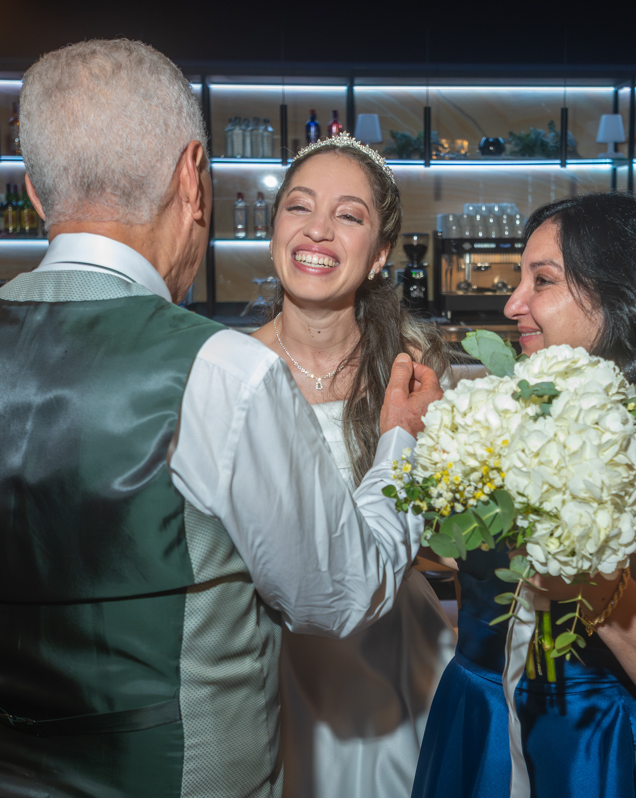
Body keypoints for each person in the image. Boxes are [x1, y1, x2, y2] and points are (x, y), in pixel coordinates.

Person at [0, 39, 442, 797]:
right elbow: (337, 595)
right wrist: (402, 441)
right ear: (192, 177)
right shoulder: (219, 370)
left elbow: (24, 550)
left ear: (36, 193)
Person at [412, 191, 636, 798]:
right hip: (481, 724)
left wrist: (593, 589)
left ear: (622, 296)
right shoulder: (514, 415)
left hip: (597, 753)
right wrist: (417, 464)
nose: (513, 304)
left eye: (542, 280)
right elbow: (475, 564)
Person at [248, 132, 455, 798]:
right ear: (274, 231)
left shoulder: (413, 369)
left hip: (398, 661)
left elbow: (452, 544)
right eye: (299, 206)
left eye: (348, 215)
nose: (318, 229)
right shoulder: (226, 372)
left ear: (380, 254)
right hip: (272, 670)